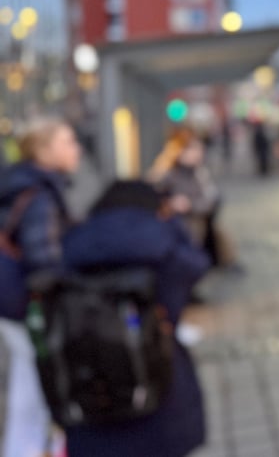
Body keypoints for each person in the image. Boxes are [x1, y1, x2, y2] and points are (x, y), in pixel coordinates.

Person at [61, 180, 210, 456]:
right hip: (155, 377)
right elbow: (197, 266)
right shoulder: (161, 242)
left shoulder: (72, 241)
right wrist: (174, 222)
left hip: (87, 379)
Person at [0, 118, 80, 457]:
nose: (75, 148)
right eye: (67, 141)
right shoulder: (39, 196)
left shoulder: (23, 184)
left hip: (11, 301)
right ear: (44, 151)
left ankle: (21, 449)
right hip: (28, 306)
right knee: (45, 386)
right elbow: (44, 262)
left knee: (27, 386)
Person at [150, 131, 232, 268]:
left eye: (199, 149)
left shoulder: (200, 174)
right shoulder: (166, 174)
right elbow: (150, 197)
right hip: (172, 225)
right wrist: (170, 204)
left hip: (196, 223)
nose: (198, 153)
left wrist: (190, 205)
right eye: (192, 149)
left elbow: (212, 200)